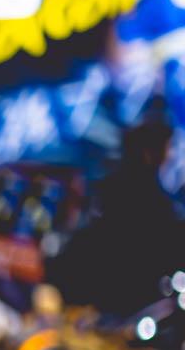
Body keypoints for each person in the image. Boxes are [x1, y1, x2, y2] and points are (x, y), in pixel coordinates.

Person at [49, 121, 185, 318]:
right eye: (167, 147)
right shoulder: (149, 197)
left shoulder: (110, 185)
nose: (170, 154)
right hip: (128, 299)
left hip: (104, 294)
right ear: (149, 151)